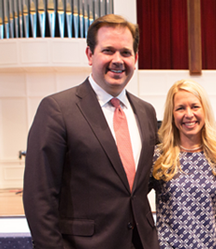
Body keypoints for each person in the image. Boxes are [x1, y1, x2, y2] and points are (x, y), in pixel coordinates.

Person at [22, 14, 160, 249]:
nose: (118, 60)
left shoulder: (146, 112)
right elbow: (39, 196)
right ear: (89, 55)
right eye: (108, 50)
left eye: (125, 53)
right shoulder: (57, 109)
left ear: (135, 58)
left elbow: (140, 186)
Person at [150, 79, 216, 248]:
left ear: (204, 110)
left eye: (195, 106)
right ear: (172, 114)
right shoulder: (159, 156)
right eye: (180, 108)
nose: (188, 114)